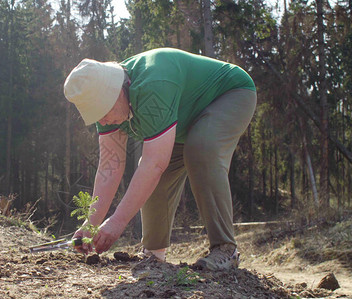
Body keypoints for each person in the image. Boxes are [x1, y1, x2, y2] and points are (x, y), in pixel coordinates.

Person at [63, 48, 257, 271]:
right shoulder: (107, 107)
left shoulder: (152, 84)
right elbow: (110, 166)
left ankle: (225, 249)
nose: (104, 122)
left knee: (199, 149)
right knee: (153, 176)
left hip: (231, 94)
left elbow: (154, 163)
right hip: (182, 118)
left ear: (117, 92)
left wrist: (117, 222)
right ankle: (154, 254)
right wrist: (92, 224)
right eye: (97, 117)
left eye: (103, 113)